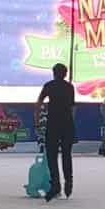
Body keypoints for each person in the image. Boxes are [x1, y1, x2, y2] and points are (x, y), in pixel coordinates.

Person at [37, 62, 76, 201]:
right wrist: (73, 125)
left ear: (53, 73)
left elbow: (39, 101)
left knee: (52, 155)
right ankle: (68, 182)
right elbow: (72, 108)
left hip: (53, 123)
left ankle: (55, 185)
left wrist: (37, 120)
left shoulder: (49, 85)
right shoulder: (69, 87)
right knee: (66, 154)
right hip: (67, 124)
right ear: (65, 74)